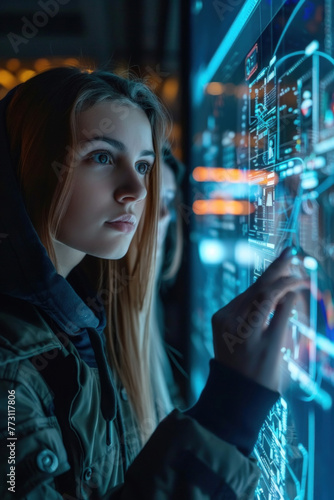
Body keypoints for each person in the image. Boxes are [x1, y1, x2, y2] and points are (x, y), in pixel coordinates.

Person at [0, 66, 306, 499]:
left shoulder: (80, 324)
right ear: (28, 166)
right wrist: (228, 409)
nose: (136, 190)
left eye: (143, 166)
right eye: (102, 157)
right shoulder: (10, 372)